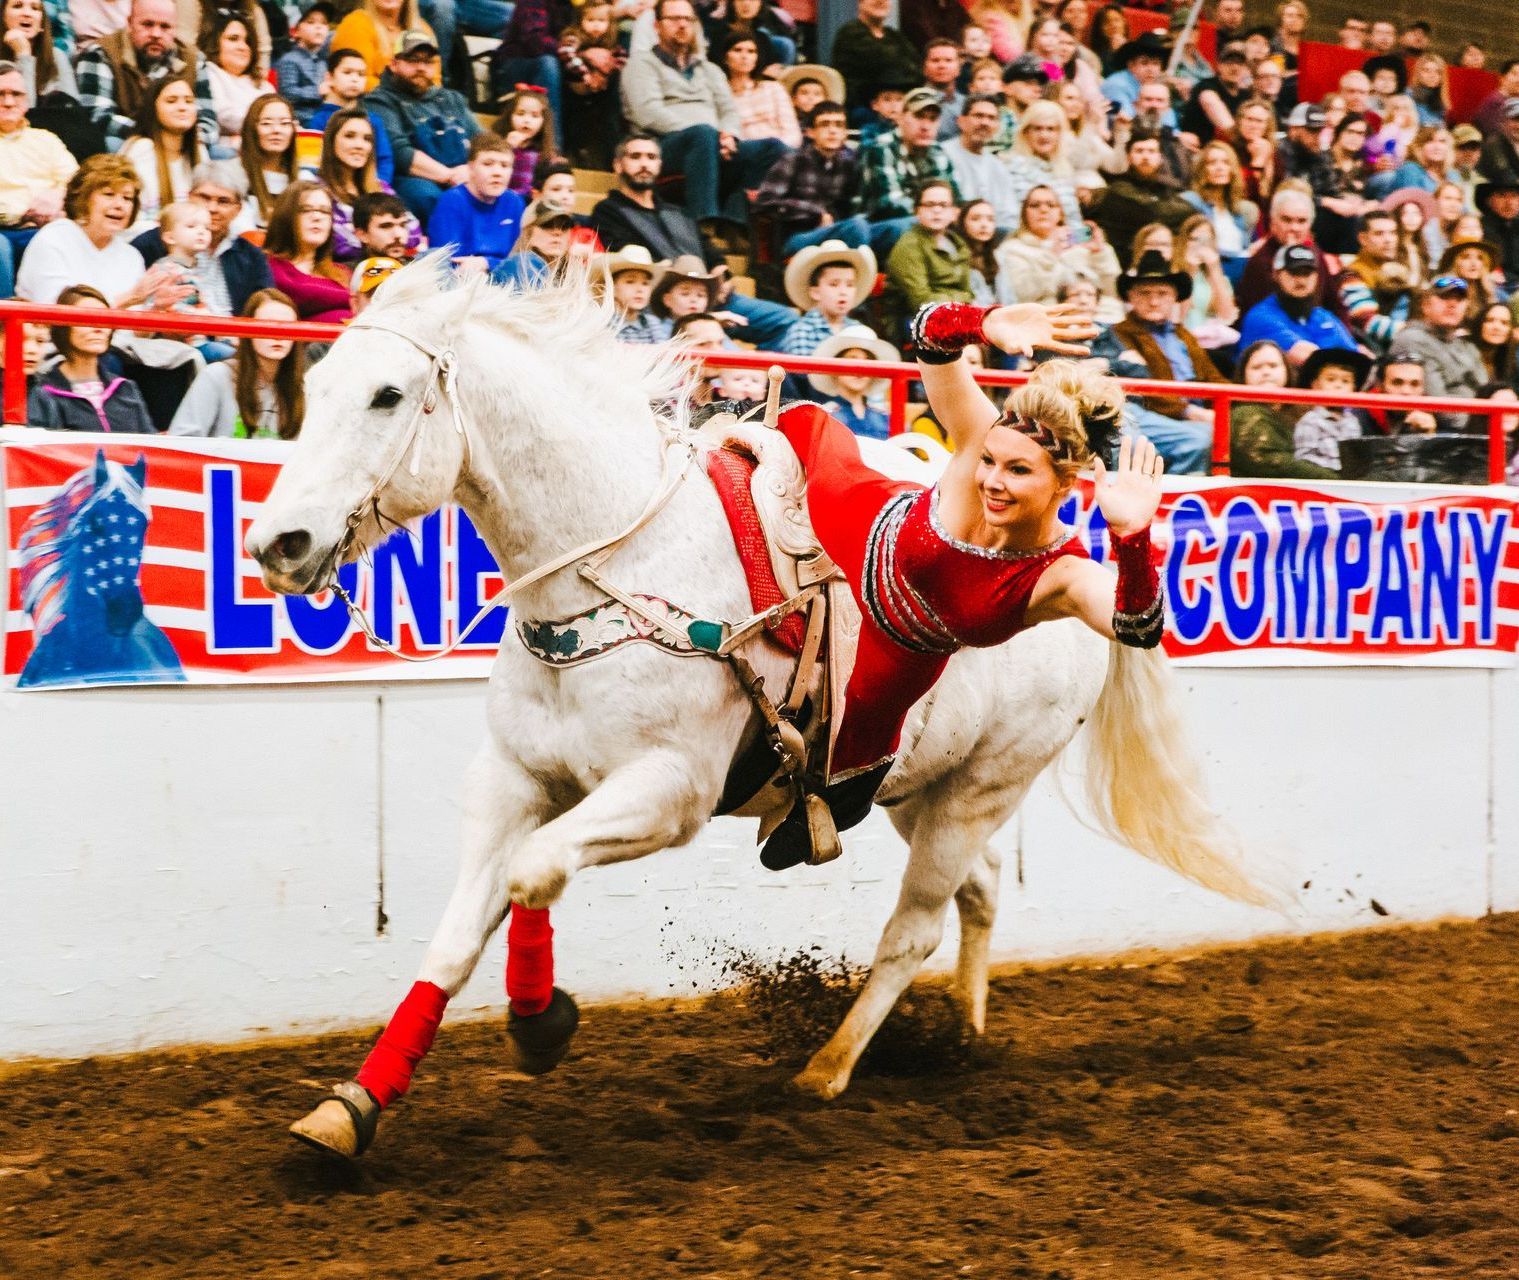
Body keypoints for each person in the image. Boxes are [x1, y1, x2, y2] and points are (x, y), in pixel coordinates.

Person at [755, 305, 1165, 870]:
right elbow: (926, 333)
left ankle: (836, 800)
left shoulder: (1061, 574)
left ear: (1064, 484)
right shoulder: (981, 431)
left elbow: (1138, 627)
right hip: (859, 517)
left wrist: (1132, 537)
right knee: (802, 429)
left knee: (856, 766)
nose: (993, 480)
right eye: (991, 462)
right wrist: (984, 321)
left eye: (1019, 472)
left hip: (905, 648)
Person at [588, 131, 796, 347]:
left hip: (710, 293)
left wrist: (721, 270)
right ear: (618, 165)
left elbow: (706, 246)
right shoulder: (608, 211)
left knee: (786, 321)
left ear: (659, 165)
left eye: (651, 158)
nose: (644, 164)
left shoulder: (677, 210)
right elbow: (632, 258)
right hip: (669, 304)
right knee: (734, 365)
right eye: (635, 157)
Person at [619, 0, 787, 232]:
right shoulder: (641, 65)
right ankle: (703, 221)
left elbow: (729, 111)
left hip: (712, 145)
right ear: (657, 26)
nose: (682, 25)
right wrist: (708, 134)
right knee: (702, 133)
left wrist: (730, 135)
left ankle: (734, 219)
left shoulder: (710, 69)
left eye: (688, 19)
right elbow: (647, 113)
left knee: (774, 149)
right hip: (662, 147)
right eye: (674, 19)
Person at [1090, 249, 1228, 474]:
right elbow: (1138, 388)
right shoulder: (1118, 334)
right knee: (1201, 439)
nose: (1154, 301)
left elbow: (1212, 378)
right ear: (1131, 297)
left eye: (1162, 293)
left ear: (1174, 298)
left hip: (1193, 413)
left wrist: (1231, 405)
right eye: (1145, 293)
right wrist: (1190, 412)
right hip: (1151, 414)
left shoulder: (1183, 335)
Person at [15, 153, 183, 306]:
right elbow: (61, 315)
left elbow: (132, 333)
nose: (119, 205)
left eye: (127, 198)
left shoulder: (131, 256)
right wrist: (130, 297)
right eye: (109, 194)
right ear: (84, 198)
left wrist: (156, 308)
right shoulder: (54, 238)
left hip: (119, 340)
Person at [365, 31, 479, 223]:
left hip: (465, 174)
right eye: (412, 60)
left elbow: (482, 141)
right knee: (428, 196)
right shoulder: (379, 100)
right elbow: (400, 152)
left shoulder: (452, 98)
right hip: (414, 178)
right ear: (394, 64)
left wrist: (473, 172)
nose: (420, 67)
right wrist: (450, 176)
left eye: (427, 62)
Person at [75, 0, 217, 154]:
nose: (156, 34)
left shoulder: (193, 60)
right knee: (111, 144)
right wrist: (157, 133)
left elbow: (208, 124)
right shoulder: (100, 54)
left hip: (180, 146)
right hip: (129, 144)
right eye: (147, 24)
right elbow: (96, 117)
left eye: (165, 27)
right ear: (129, 23)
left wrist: (184, 138)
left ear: (175, 28)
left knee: (218, 152)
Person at [133, 158, 272, 315]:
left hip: (232, 335)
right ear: (190, 197)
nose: (212, 208)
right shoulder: (153, 242)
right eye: (204, 198)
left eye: (223, 201)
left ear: (238, 209)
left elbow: (265, 305)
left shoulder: (250, 256)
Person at [169, 287, 305, 436]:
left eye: (287, 327)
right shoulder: (215, 376)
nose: (278, 335)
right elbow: (182, 442)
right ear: (248, 330)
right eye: (268, 325)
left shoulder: (304, 389)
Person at [26, 283, 156, 431]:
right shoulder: (44, 394)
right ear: (63, 328)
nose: (99, 329)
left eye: (105, 320)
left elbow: (150, 446)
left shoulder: (126, 388)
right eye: (87, 319)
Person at [753, 100, 870, 257]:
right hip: (798, 237)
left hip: (838, 230)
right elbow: (765, 202)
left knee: (897, 227)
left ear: (845, 133)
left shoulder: (850, 164)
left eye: (838, 125)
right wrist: (816, 213)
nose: (832, 131)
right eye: (824, 124)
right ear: (810, 132)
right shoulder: (793, 160)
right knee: (857, 227)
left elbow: (856, 205)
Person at [0, 59, 76, 298]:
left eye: (16, 94)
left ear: (27, 100)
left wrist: (58, 199)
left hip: (42, 227)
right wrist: (21, 211)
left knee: (61, 238)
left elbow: (80, 184)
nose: (9, 102)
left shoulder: (46, 140)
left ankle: (55, 328)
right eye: (0, 94)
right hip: (2, 230)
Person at [994, 182, 1118, 309]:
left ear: (1061, 213)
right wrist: (1051, 255)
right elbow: (1022, 295)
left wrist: (1099, 254)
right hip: (1047, 315)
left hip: (1095, 315)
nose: (1043, 210)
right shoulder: (1012, 249)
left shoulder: (1081, 244)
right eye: (1035, 205)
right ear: (1024, 214)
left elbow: (1111, 291)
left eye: (1051, 205)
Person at [320, 106, 421, 261]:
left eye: (367, 139)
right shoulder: (318, 191)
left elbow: (414, 232)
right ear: (331, 141)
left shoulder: (381, 187)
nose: (360, 145)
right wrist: (387, 239)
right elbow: (339, 244)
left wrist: (377, 236)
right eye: (350, 136)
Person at [1237, 244, 1358, 370]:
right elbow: (1308, 358)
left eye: (1307, 273)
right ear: (1276, 274)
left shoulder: (1324, 316)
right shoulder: (1260, 317)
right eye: (1293, 273)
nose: (1301, 280)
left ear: (1317, 276)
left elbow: (1357, 357)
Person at [1229, 340, 1338, 479]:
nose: (1266, 372)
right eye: (1257, 367)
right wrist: (1332, 478)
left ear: (1287, 370)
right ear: (1243, 376)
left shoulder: (1306, 411)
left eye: (1273, 366)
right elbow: (1269, 461)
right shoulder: (1243, 414)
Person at [1388, 277, 1488, 427]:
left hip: (1475, 427)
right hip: (1438, 433)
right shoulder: (1412, 339)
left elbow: (1487, 392)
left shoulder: (1467, 346)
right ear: (1425, 305)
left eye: (1459, 300)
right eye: (1444, 297)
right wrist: (1483, 424)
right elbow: (1441, 408)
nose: (1452, 304)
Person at [1090, 128, 1194, 266]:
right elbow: (1152, 213)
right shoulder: (1117, 189)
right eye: (1139, 151)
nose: (1145, 156)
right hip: (1120, 260)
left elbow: (1190, 214)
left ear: (1160, 158)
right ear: (1129, 157)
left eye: (1151, 151)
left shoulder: (1167, 190)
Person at [427, 131, 525, 275]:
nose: (497, 172)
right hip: (461, 280)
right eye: (488, 164)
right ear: (471, 167)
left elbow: (518, 259)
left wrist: (486, 263)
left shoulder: (514, 202)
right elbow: (445, 262)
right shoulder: (451, 201)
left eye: (505, 165)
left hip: (501, 277)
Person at [884, 178, 971, 337]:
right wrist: (961, 302)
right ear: (917, 211)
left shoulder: (958, 244)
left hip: (953, 314)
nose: (936, 211)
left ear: (954, 213)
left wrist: (961, 303)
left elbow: (968, 292)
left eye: (943, 205)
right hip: (913, 320)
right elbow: (922, 300)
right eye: (929, 205)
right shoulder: (909, 246)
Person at [120, 71, 199, 229]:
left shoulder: (199, 151)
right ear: (153, 108)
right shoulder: (141, 149)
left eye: (189, 101)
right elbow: (130, 219)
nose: (182, 107)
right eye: (171, 101)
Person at [155, 198, 233, 359]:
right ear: (170, 237)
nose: (201, 232)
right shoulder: (166, 270)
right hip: (181, 345)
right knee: (236, 359)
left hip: (203, 340)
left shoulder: (203, 267)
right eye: (191, 226)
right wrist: (208, 318)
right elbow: (168, 309)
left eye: (206, 228)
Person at [263, 178, 350, 320]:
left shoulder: (342, 273)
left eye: (325, 211)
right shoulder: (268, 267)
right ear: (286, 216)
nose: (317, 217)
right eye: (306, 210)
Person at [309, 48, 395, 185]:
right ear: (329, 78)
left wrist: (378, 187)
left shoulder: (373, 119)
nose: (355, 79)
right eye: (347, 72)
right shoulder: (319, 120)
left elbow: (384, 160)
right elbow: (315, 163)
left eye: (361, 74)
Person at [777, 238, 875, 357]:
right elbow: (804, 373)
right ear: (815, 292)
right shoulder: (802, 331)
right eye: (834, 284)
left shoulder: (858, 330)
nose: (843, 292)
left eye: (850, 285)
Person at [1237, 186, 1327, 314]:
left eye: (1301, 221)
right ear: (1273, 223)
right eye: (1287, 220)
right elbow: (1271, 313)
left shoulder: (1315, 253)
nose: (1294, 227)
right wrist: (1287, 257)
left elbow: (1336, 305)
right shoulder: (1260, 262)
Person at [1181, 141, 1258, 286]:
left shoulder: (1242, 211)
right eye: (1212, 163)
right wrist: (1244, 255)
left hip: (1239, 278)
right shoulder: (1192, 202)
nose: (1219, 168)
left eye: (1225, 163)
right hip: (1207, 276)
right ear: (1202, 169)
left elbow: (1247, 247)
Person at [1337, 210, 1412, 355]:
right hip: (1372, 351)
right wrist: (1414, 330)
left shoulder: (1399, 270)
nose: (1388, 239)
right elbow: (1368, 322)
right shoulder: (1351, 275)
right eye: (1379, 234)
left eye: (1393, 233)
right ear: (1363, 239)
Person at [1004, 98, 1083, 234]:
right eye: (1037, 129)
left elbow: (1075, 223)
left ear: (1059, 134)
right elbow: (1011, 223)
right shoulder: (1011, 167)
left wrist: (1082, 238)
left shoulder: (1064, 170)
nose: (1044, 135)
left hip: (1064, 243)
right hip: (1026, 243)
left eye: (1051, 129)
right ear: (1026, 132)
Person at [939, 94, 1019, 228]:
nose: (985, 123)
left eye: (991, 118)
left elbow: (1009, 215)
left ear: (997, 126)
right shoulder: (943, 154)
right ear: (961, 121)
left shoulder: (998, 166)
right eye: (978, 116)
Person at [829, 0, 920, 116]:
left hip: (897, 111)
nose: (881, 1)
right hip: (861, 113)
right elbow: (882, 63)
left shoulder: (894, 36)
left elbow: (917, 71)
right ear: (860, 3)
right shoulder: (850, 33)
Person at [1291, 347, 1375, 470]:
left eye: (1345, 381)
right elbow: (1305, 459)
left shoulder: (1352, 421)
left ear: (1354, 388)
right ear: (1315, 385)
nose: (1338, 385)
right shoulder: (1310, 421)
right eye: (1331, 379)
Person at [331, 0, 437, 93]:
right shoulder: (355, 24)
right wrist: (402, 96)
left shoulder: (422, 28)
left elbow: (435, 80)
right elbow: (355, 80)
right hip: (372, 104)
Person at [809, 323, 895, 438]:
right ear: (835, 367)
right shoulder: (824, 416)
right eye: (852, 360)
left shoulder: (885, 417)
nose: (860, 369)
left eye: (868, 361)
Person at [490, 0, 571, 118]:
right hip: (517, 65)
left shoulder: (578, 5)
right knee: (548, 64)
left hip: (559, 63)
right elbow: (535, 41)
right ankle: (551, 135)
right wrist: (572, 52)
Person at [200, 10, 269, 149]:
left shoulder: (263, 84)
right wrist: (267, 123)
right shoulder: (210, 72)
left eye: (247, 42)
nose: (243, 47)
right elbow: (224, 115)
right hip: (225, 153)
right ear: (215, 44)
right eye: (233, 39)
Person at [237, 93, 296, 230]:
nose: (276, 130)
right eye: (266, 123)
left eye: (285, 123)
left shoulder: (304, 178)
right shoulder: (235, 175)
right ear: (251, 128)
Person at [493, 195, 577, 287]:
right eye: (547, 225)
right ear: (528, 232)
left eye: (564, 226)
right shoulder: (524, 263)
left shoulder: (571, 270)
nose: (557, 232)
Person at [272, 0, 334, 125]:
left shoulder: (323, 62)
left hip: (323, 119)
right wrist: (317, 91)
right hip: (301, 120)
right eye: (311, 22)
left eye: (324, 23)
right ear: (295, 31)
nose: (319, 27)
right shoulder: (289, 60)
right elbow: (287, 93)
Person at [491, 85, 557, 198]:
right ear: (510, 116)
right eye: (520, 114)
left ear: (544, 121)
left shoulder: (545, 154)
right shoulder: (497, 144)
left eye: (535, 116)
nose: (526, 120)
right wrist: (507, 148)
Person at [1351, 354, 1439, 439]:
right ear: (1380, 385)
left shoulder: (1432, 415)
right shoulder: (1358, 417)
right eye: (1397, 383)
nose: (1406, 392)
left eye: (1415, 384)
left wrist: (1429, 438)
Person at [1179, 43, 1251, 146]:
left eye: (1240, 63)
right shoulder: (1206, 87)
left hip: (1225, 150)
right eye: (1229, 62)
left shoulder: (1245, 95)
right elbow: (1228, 128)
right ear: (1219, 65)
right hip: (1197, 150)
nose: (1235, 67)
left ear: (1246, 68)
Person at [4, 0, 76, 100]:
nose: (27, 13)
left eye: (35, 8)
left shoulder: (57, 57)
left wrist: (23, 55)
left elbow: (73, 112)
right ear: (3, 17)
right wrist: (23, 54)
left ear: (42, 23)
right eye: (17, 6)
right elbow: (20, 112)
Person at [595, 243, 666, 342]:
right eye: (630, 282)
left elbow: (663, 352)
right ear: (612, 288)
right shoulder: (601, 322)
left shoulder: (652, 323)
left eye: (645, 283)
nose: (640, 289)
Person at [957, 198, 1003, 304]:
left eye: (990, 219)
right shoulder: (957, 257)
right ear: (963, 223)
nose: (984, 225)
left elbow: (1008, 297)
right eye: (975, 219)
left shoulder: (999, 256)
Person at [350, 190, 414, 260]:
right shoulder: (344, 270)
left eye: (403, 225)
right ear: (362, 235)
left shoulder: (421, 267)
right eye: (386, 226)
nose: (398, 235)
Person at [1478, 173, 1519, 280]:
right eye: (1502, 195)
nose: (1509, 202)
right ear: (1489, 201)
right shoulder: (1480, 228)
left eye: (1514, 196)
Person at [1474, 302, 1516, 385]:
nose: (1496, 327)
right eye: (1489, 320)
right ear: (1480, 324)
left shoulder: (1508, 362)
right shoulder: (1463, 354)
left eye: (1504, 323)